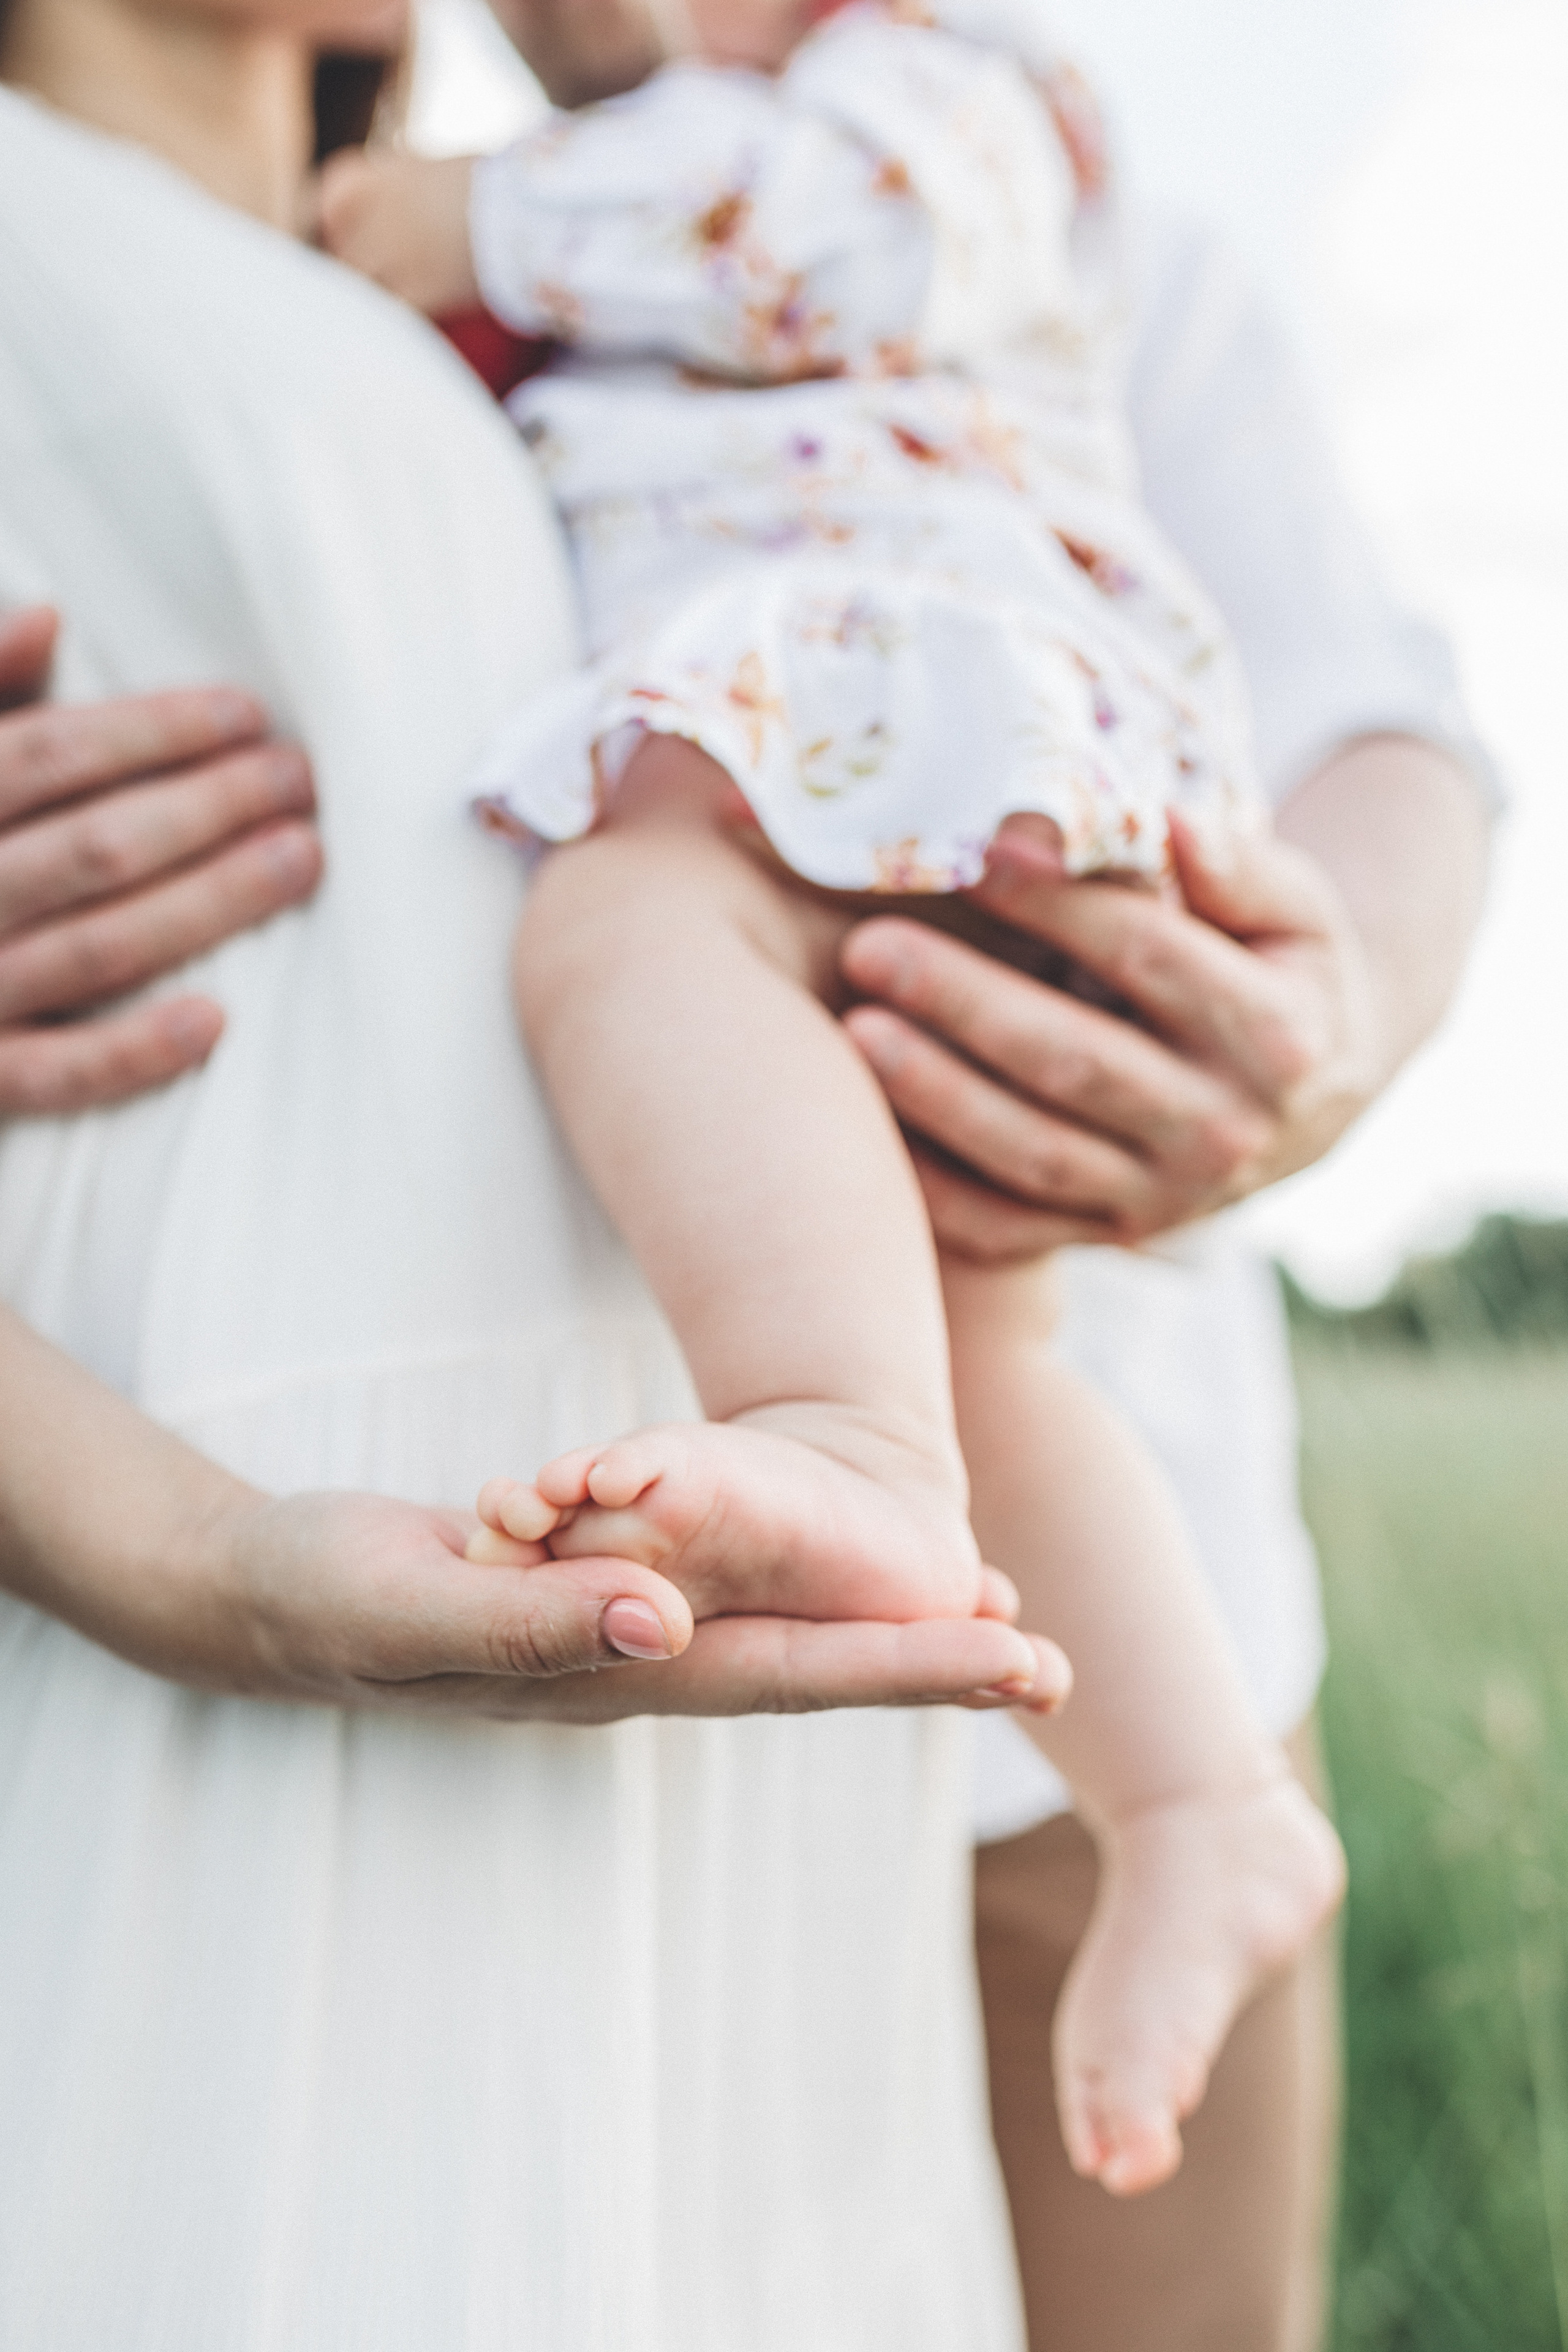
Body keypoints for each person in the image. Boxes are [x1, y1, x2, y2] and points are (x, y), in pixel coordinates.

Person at [0, 16, 1492, 2352]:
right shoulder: (467, 316)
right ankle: (1181, 1781)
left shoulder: (920, 156)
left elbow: (1391, 728)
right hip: (728, 1563)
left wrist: (1326, 1036)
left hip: (1054, 1521)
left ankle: (1168, 1768)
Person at [318, 0, 1343, 2198]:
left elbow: (851, 234)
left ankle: (841, 1441)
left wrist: (474, 218)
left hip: (907, 695)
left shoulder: (932, 98)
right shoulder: (617, 254)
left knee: (619, 920)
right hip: (888, 749)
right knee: (973, 1327)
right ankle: (1199, 1802)